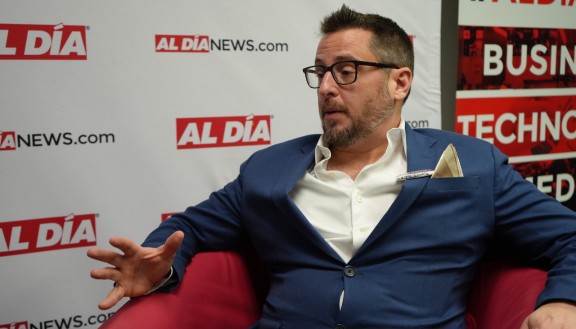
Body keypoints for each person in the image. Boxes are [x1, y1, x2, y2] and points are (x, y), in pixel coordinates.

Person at [88, 5, 576, 328]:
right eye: (320, 73)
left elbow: (568, 235)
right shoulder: (268, 169)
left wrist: (563, 301)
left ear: (400, 82)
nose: (325, 87)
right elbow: (187, 228)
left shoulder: (473, 164)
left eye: (346, 71)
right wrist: (160, 265)